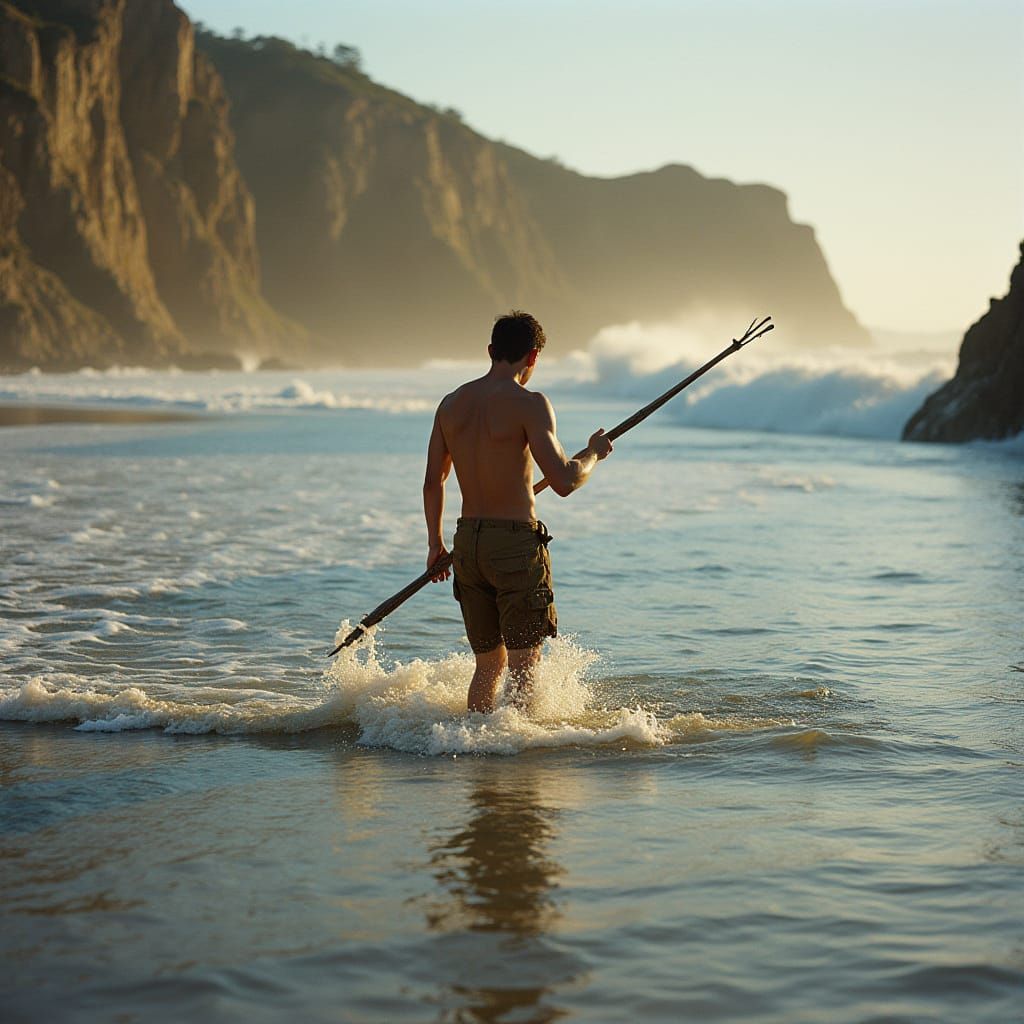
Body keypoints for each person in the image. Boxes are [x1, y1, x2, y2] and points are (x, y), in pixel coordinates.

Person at [422, 311, 613, 713]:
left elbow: (433, 482)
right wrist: (594, 454)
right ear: (533, 357)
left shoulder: (451, 404)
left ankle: (476, 750)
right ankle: (514, 760)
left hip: (467, 545)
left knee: (488, 666)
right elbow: (563, 481)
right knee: (525, 665)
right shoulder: (530, 404)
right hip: (512, 544)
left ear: (491, 351)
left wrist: (436, 546)